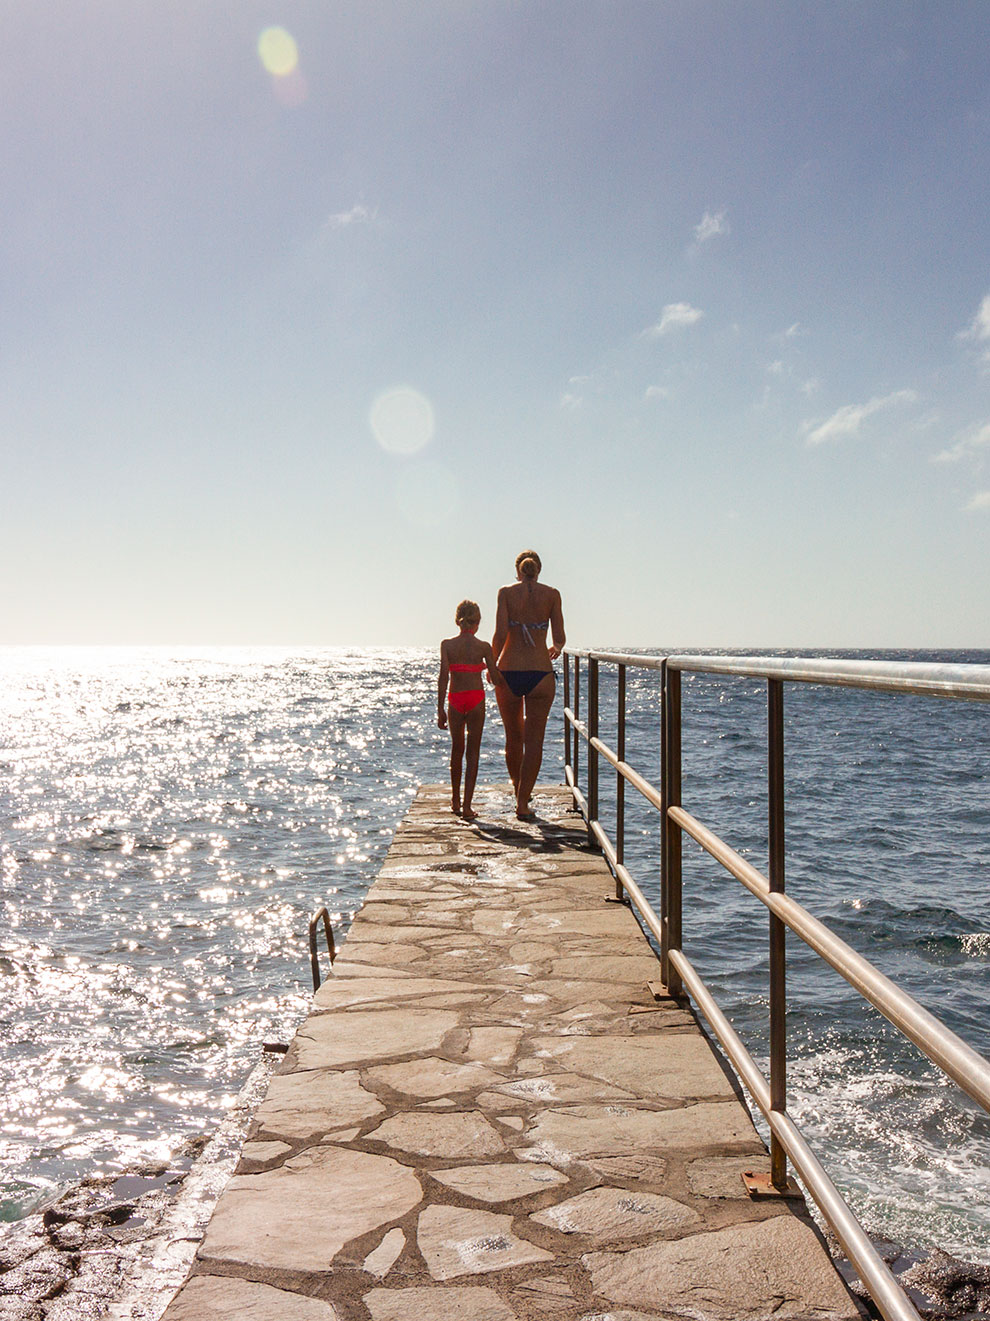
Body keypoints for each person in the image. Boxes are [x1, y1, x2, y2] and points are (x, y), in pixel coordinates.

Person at [492, 550, 566, 820]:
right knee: (534, 741)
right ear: (539, 570)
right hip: (541, 674)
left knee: (514, 737)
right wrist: (555, 647)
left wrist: (491, 666)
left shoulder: (506, 593)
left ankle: (517, 790)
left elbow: (500, 634)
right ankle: (523, 802)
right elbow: (560, 637)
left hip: (509, 671)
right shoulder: (552, 594)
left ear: (518, 571)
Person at [437, 600, 503, 820]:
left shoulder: (447, 645)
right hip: (476, 699)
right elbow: (494, 677)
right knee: (472, 753)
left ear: (457, 621)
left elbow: (443, 677)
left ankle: (455, 802)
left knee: (457, 750)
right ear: (478, 622)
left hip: (455, 699)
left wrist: (440, 708)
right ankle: (467, 807)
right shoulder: (484, 647)